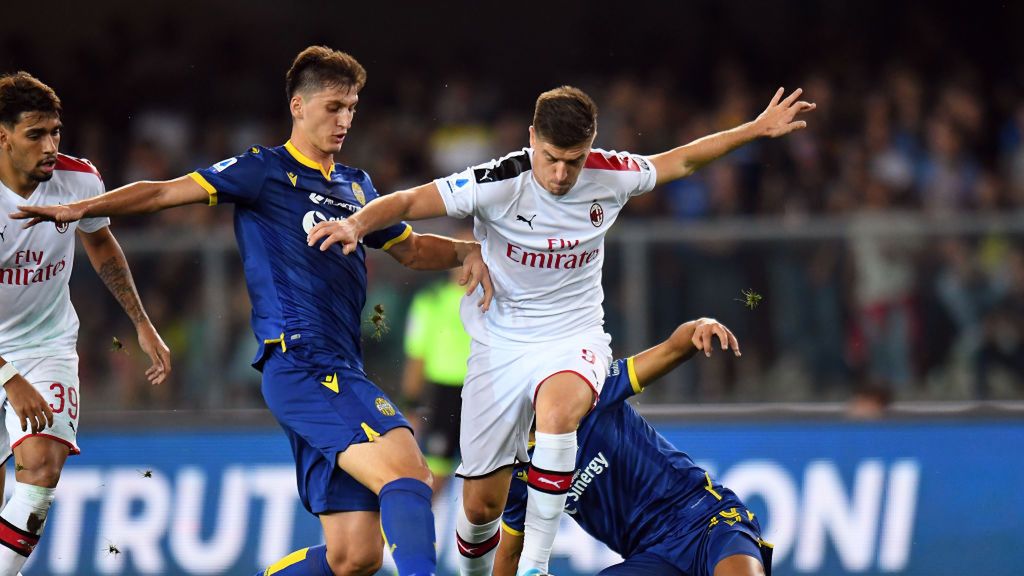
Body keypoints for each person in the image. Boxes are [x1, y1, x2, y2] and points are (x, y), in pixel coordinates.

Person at [12, 47, 493, 576]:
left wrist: (467, 251)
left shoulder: (356, 187)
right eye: (333, 106)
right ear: (298, 105)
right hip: (303, 366)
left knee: (355, 556)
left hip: (339, 367)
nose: (345, 119)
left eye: (352, 107)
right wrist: (82, 208)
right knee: (410, 479)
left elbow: (410, 248)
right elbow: (161, 195)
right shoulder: (263, 171)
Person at [305, 84, 814, 575]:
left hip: (574, 336)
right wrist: (355, 225)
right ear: (531, 139)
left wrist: (754, 129)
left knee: (558, 409)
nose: (562, 172)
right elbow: (410, 202)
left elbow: (678, 160)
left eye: (574, 159)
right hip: (500, 344)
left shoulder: (610, 174)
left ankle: (538, 566)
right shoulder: (498, 182)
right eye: (551, 157)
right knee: (481, 506)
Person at [0, 72, 171, 576]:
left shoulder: (79, 180)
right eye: (36, 135)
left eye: (55, 132)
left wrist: (141, 321)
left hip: (47, 345)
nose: (51, 145)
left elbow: (99, 242)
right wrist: (8, 376)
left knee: (42, 467)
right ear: (2, 135)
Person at [495, 318, 772, 576]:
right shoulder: (516, 469)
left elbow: (672, 349)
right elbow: (509, 554)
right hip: (652, 558)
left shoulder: (594, 391)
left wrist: (699, 326)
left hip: (706, 519)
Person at [401, 238, 473, 498]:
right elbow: (416, 356)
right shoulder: (429, 301)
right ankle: (411, 535)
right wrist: (410, 405)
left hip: (485, 395)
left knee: (490, 479)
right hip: (443, 397)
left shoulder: (494, 296)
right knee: (434, 478)